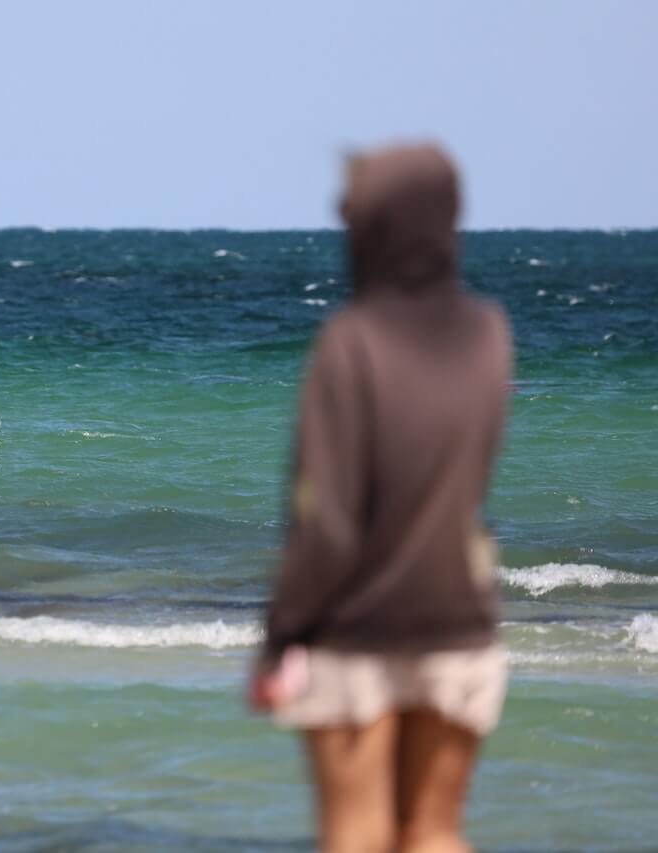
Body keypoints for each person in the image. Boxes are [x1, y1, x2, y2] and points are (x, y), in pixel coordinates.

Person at [248, 143, 512, 853]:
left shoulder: (350, 341)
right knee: (433, 833)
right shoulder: (490, 335)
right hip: (462, 622)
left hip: (358, 634)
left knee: (355, 835)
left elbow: (327, 523)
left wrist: (280, 638)